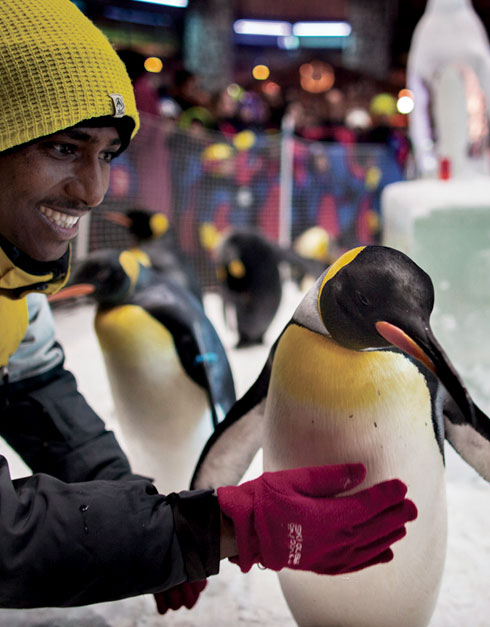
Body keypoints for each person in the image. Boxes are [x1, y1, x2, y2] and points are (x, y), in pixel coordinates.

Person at [0, 0, 417, 614]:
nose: (93, 191)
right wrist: (212, 528)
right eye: (64, 148)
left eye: (108, 155)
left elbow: (32, 385)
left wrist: (148, 523)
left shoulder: (13, 277)